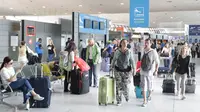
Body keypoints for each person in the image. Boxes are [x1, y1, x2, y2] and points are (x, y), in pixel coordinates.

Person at [111, 39, 135, 106]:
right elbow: (114, 60)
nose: (125, 44)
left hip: (127, 71)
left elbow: (132, 61)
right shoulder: (117, 52)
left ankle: (126, 95)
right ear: (121, 44)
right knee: (118, 86)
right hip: (118, 70)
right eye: (124, 42)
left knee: (126, 85)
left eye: (126, 42)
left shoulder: (129, 52)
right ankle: (119, 100)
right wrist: (111, 67)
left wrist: (134, 69)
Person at [140, 38, 159, 107]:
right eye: (145, 42)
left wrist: (156, 70)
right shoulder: (143, 50)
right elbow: (141, 61)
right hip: (143, 71)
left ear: (151, 44)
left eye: (148, 42)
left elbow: (157, 62)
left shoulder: (153, 52)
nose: (146, 44)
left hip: (150, 71)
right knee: (143, 85)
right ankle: (144, 100)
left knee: (150, 86)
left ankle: (150, 94)